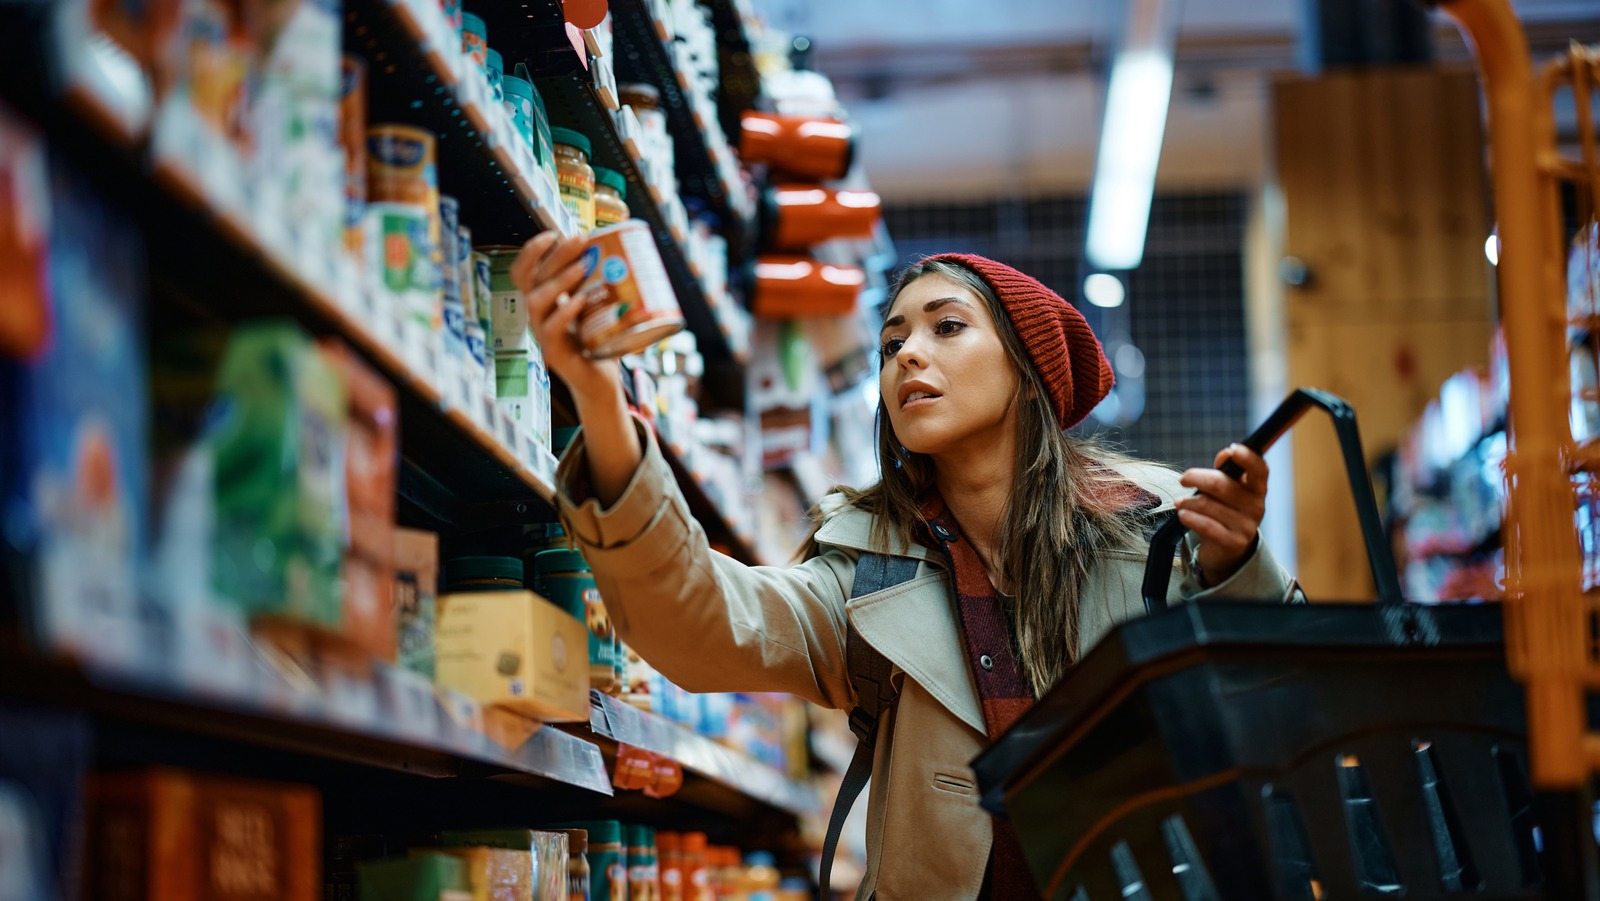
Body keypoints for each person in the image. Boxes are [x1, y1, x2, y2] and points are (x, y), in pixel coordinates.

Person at [512, 234, 1298, 900]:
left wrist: (1237, 567)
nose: (908, 354)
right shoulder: (866, 561)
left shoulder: (1158, 522)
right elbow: (701, 619)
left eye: (947, 326)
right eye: (892, 345)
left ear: (1029, 370)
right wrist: (600, 400)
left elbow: (1288, 705)